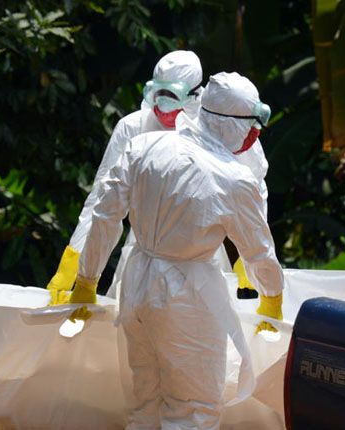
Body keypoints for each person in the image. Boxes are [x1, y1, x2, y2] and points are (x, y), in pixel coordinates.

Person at [67, 72, 285, 429]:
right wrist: (272, 297)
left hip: (135, 287)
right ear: (230, 125)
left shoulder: (143, 147)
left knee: (145, 404)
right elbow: (259, 252)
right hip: (187, 299)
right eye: (251, 126)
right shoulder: (232, 178)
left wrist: (86, 279)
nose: (254, 135)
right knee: (194, 409)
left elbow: (105, 217)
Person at [45, 50, 203, 305]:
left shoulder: (210, 131)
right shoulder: (133, 128)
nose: (164, 107)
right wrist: (76, 261)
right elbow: (102, 200)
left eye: (172, 97)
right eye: (159, 95)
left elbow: (245, 191)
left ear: (195, 95)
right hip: (144, 253)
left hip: (200, 260)